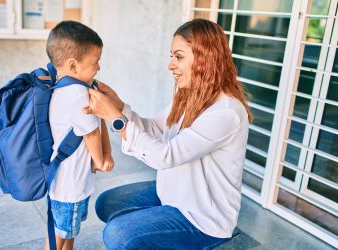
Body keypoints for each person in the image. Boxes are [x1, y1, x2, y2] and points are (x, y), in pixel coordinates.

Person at [83, 18, 253, 249]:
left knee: (118, 234)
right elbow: (154, 128)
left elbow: (165, 156)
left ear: (205, 59)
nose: (170, 65)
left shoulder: (226, 112)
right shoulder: (189, 96)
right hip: (173, 194)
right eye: (171, 56)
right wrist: (119, 106)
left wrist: (116, 120)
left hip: (202, 218)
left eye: (179, 57)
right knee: (107, 203)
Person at [45, 20, 114, 250]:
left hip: (67, 181)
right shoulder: (77, 95)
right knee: (59, 236)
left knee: (66, 232)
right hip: (70, 185)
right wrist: (101, 160)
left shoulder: (64, 87)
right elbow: (91, 134)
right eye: (96, 62)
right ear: (73, 66)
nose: (99, 68)